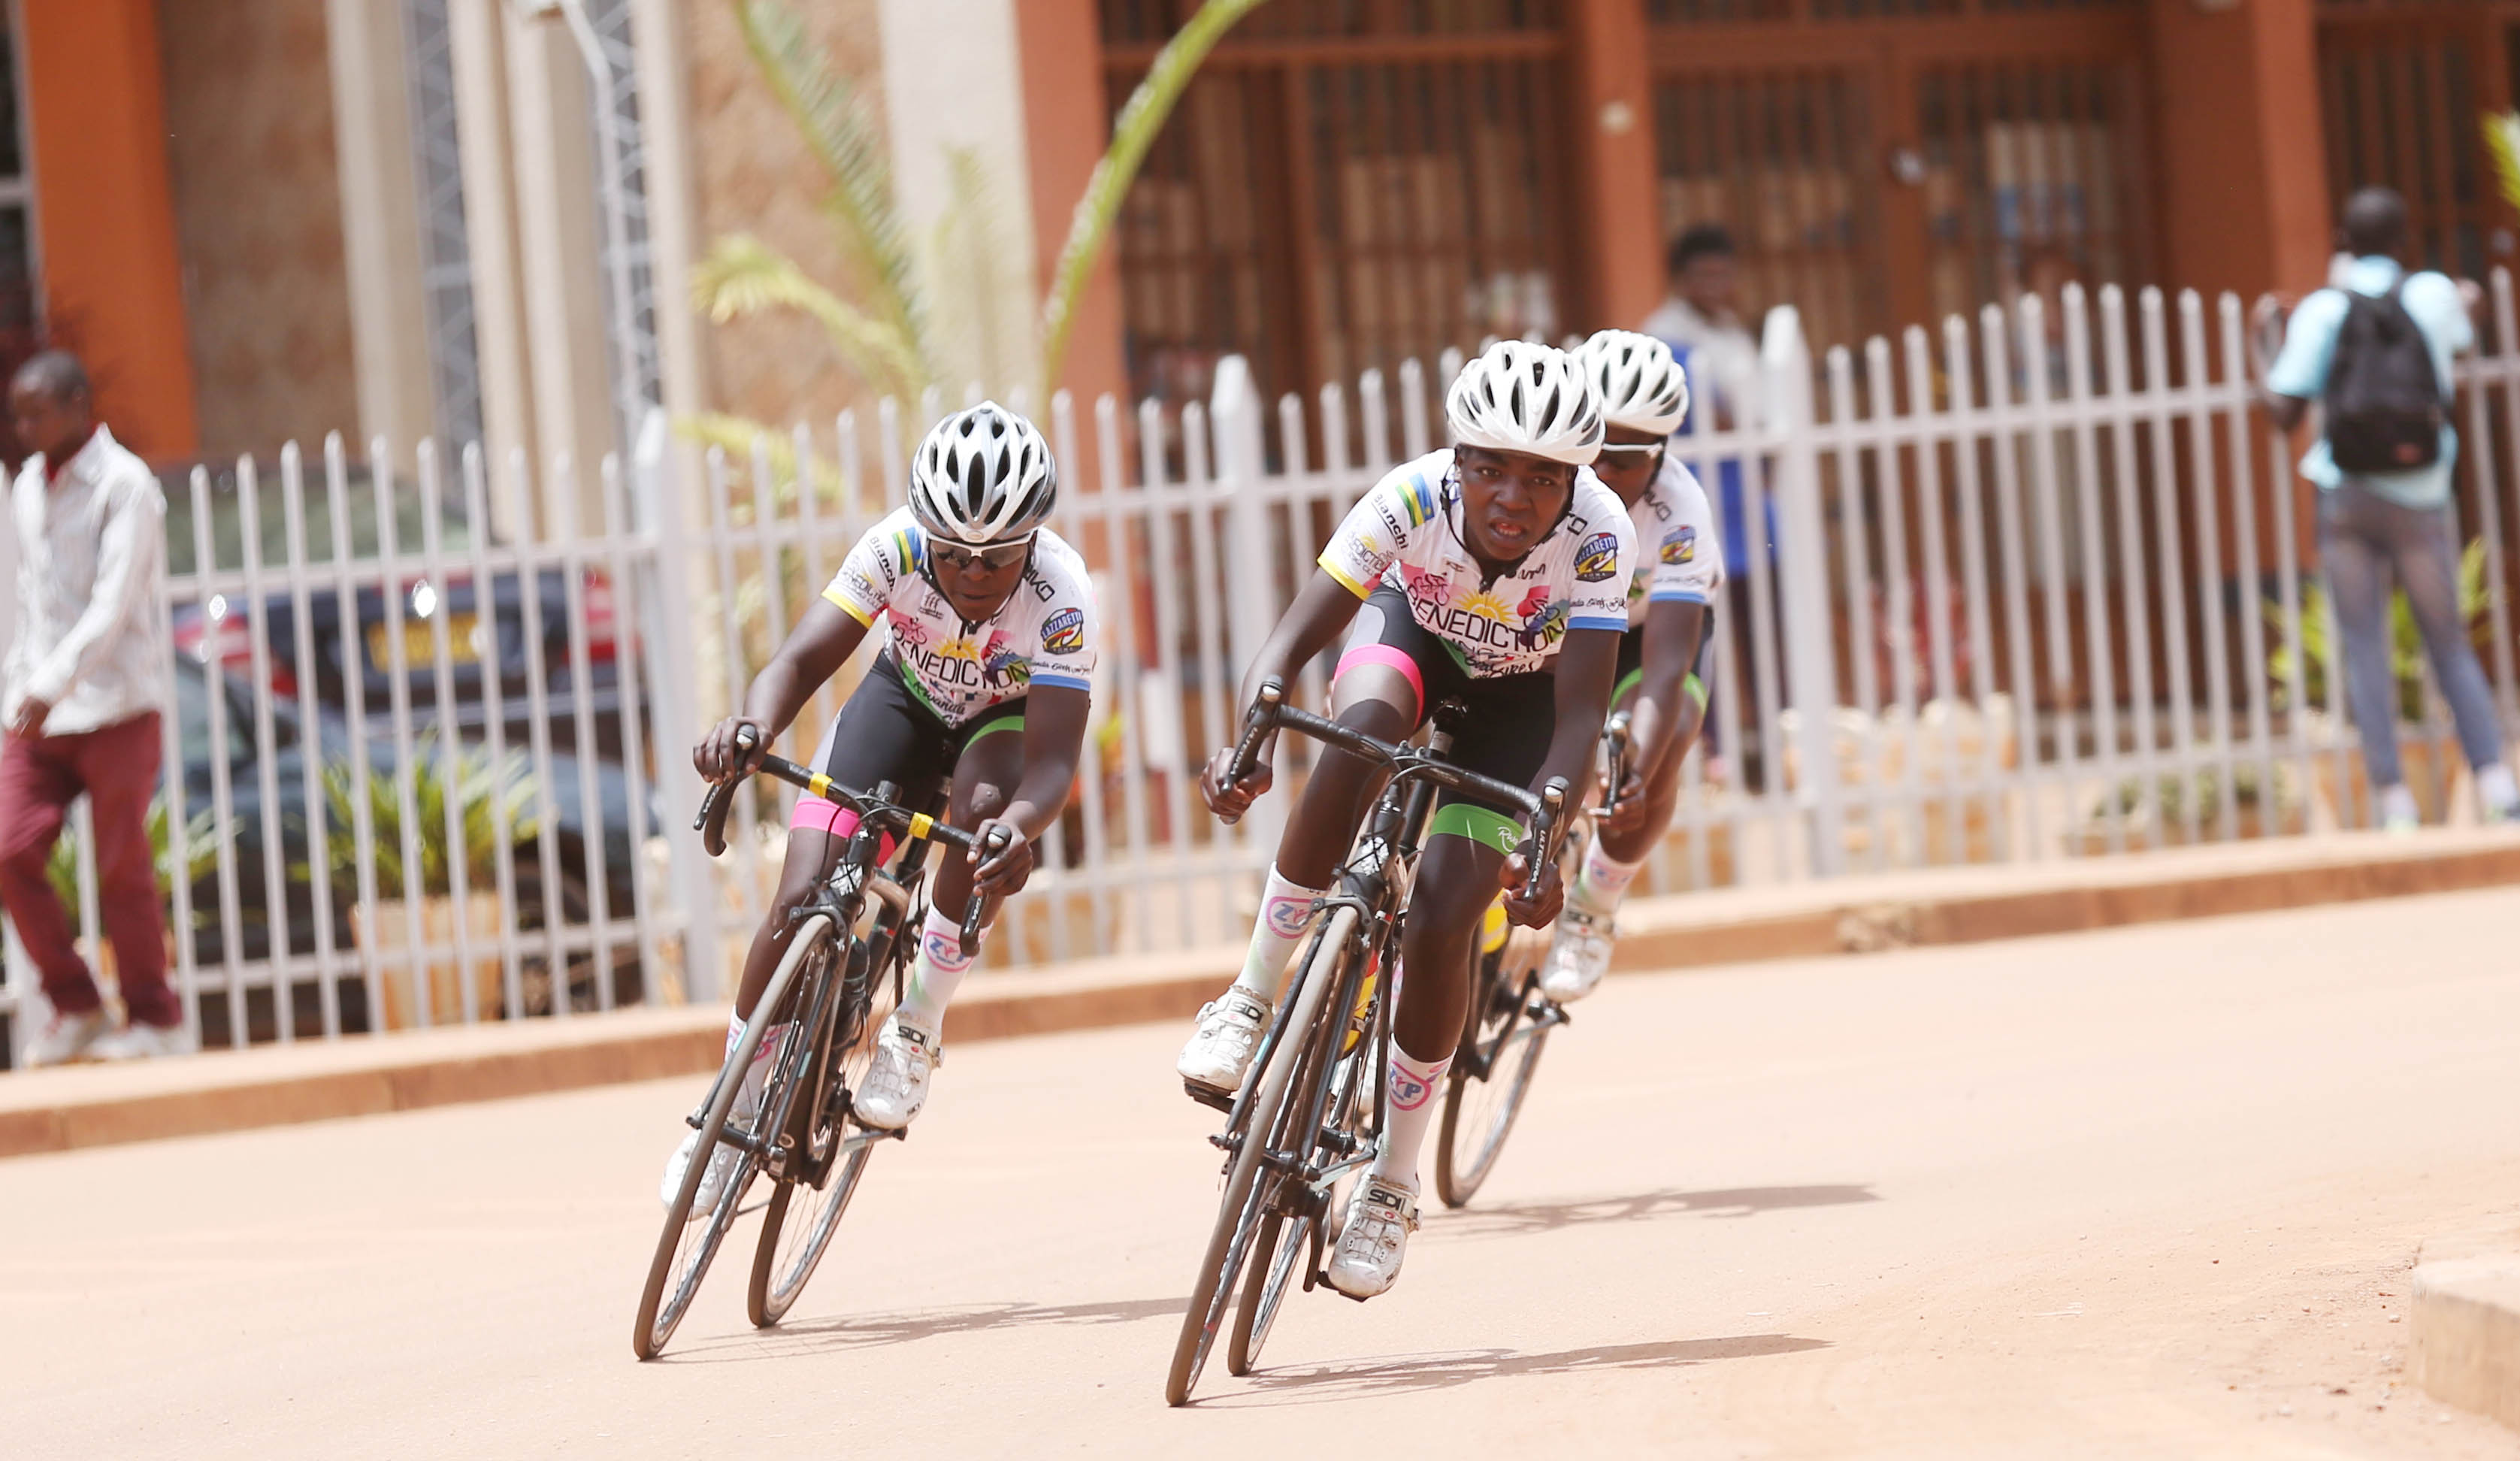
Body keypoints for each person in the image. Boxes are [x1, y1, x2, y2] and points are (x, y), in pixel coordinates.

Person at [1176, 340, 1632, 1299]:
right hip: (1411, 640)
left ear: (1573, 483)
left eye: (1544, 477)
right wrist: (1250, 735)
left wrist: (1547, 840)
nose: (1514, 496)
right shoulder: (1407, 497)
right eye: (1492, 469)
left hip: (1523, 708)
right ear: (1457, 462)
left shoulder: (1598, 536)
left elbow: (1583, 714)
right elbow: (1296, 634)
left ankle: (1390, 1182)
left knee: (1440, 918)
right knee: (1356, 737)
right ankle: (1253, 996)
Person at [668, 402, 1096, 1216]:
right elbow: (797, 661)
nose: (972, 575)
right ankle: (732, 1102)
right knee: (798, 899)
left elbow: (1050, 759)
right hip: (902, 702)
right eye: (954, 557)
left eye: (996, 559)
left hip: (1000, 726)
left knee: (978, 813)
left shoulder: (1061, 595)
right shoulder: (893, 547)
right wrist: (751, 725)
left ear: (1031, 542)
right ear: (922, 532)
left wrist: (1018, 827)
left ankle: (916, 1025)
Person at [2257, 186, 2518, 829]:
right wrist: (2467, 295)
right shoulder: (2429, 296)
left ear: (2342, 245)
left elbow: (2281, 411)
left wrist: (2261, 338)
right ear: (2403, 243)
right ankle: (2494, 782)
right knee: (2448, 642)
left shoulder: (2321, 309)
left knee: (2363, 644)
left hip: (2346, 499)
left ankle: (2393, 798)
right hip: (2421, 498)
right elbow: (2471, 316)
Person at [0, 351, 190, 1065]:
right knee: (9, 849)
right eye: (16, 413)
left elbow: (111, 606)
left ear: (78, 404)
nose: (22, 426)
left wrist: (49, 683)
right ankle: (76, 1004)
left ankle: (156, 1019)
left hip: (117, 705)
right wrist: (22, 684)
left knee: (121, 866)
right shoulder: (26, 486)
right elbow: (32, 601)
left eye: (35, 411)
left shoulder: (125, 485)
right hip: (43, 714)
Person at [1540, 331, 1722, 1003]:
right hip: (1552, 636)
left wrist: (1631, 774)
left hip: (1641, 645)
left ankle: (1595, 904)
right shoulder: (1543, 483)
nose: (1601, 474)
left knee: (1667, 733)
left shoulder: (1681, 514)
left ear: (1663, 453)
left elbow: (1668, 666)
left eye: (1625, 459)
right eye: (1591, 452)